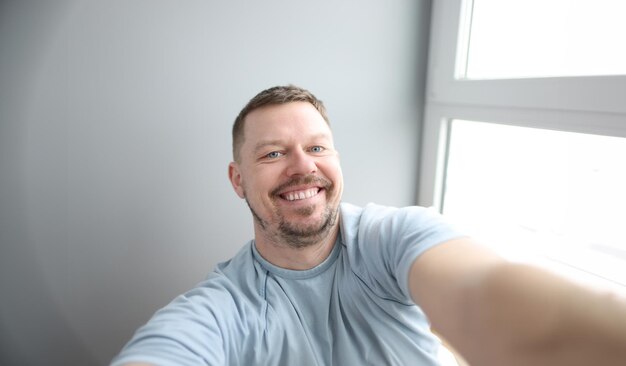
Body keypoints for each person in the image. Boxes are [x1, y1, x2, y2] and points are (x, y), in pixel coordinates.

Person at [112, 85, 626, 366]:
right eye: (273, 153)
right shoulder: (224, 306)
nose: (301, 166)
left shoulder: (394, 237)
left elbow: (483, 295)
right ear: (237, 179)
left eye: (316, 147)